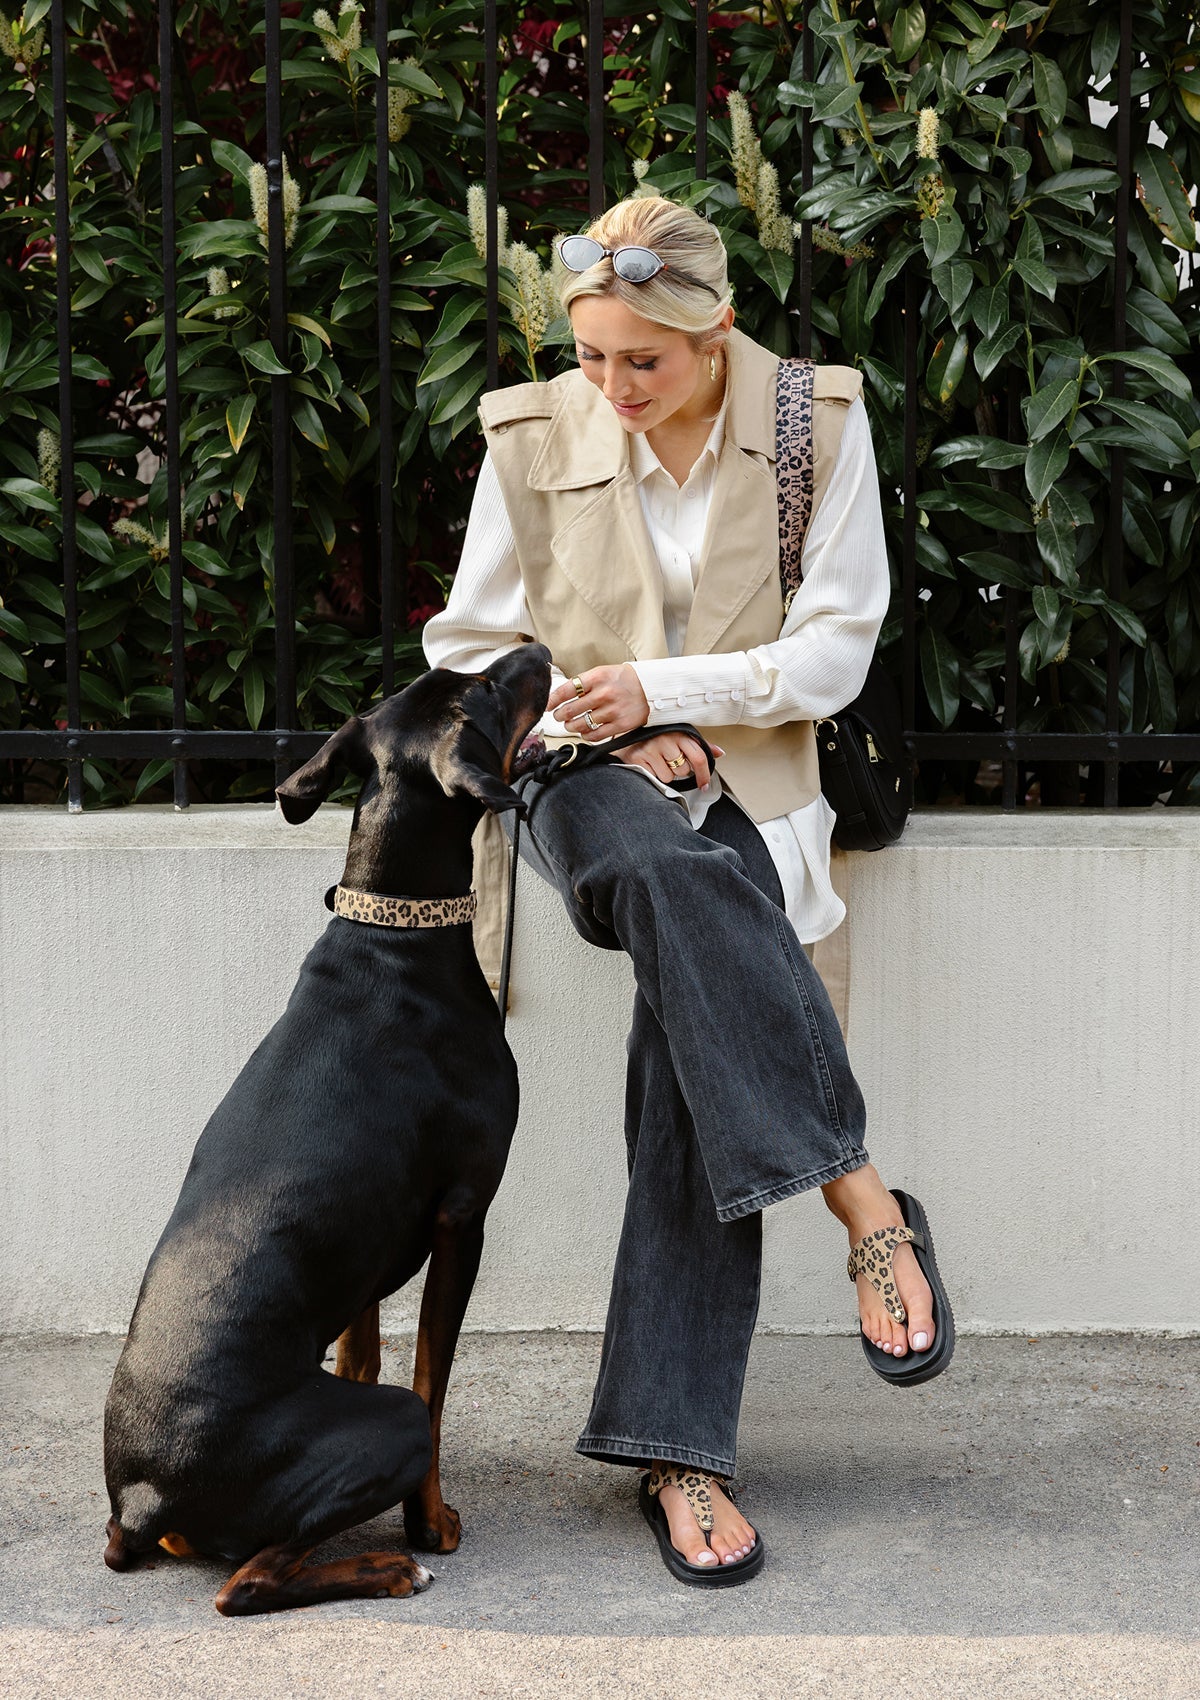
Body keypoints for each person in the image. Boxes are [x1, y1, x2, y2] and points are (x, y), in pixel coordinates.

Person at [423, 193, 951, 1585]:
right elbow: (474, 655)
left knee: (688, 998)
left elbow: (834, 652)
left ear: (714, 332)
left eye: (640, 363)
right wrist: (591, 727)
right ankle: (860, 1195)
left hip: (749, 777)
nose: (609, 389)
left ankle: (680, 1447)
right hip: (577, 782)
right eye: (589, 357)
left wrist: (667, 693)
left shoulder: (816, 427)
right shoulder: (534, 437)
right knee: (664, 868)